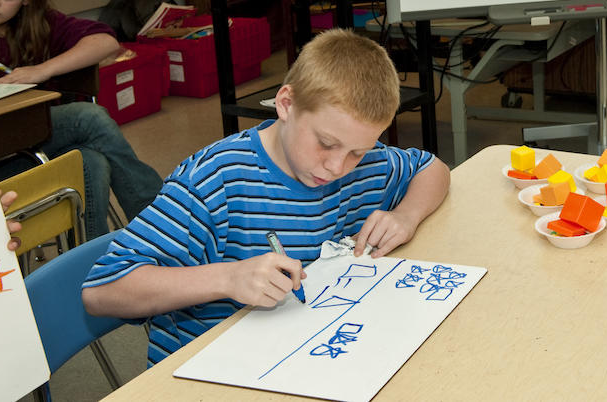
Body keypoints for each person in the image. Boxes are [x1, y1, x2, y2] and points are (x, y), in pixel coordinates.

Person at [82, 28, 450, 366]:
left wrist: (406, 215)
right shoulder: (214, 181)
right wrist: (228, 279)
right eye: (325, 143)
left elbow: (432, 169)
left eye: (357, 152)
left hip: (305, 355)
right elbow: (103, 291)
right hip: (212, 369)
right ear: (286, 105)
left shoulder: (365, 163)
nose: (338, 166)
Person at [0, 0, 163, 239]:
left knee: (89, 161)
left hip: (29, 136)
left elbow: (106, 43)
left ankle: (93, 262)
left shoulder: (40, 25)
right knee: (90, 118)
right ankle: (160, 219)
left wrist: (40, 70)